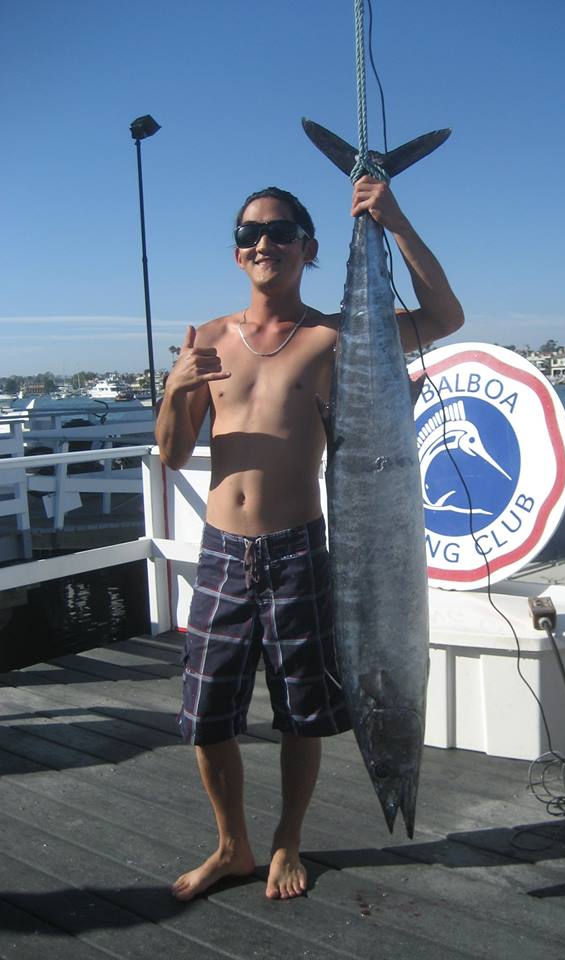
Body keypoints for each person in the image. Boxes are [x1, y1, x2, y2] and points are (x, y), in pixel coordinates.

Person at [155, 175, 464, 902]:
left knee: (304, 713)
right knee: (205, 717)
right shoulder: (206, 338)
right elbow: (171, 454)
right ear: (237, 255)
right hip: (224, 551)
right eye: (248, 234)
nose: (262, 243)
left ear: (308, 248)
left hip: (299, 546)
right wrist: (174, 389)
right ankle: (232, 845)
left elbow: (446, 315)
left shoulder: (336, 337)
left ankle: (287, 841)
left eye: (279, 232)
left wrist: (394, 220)